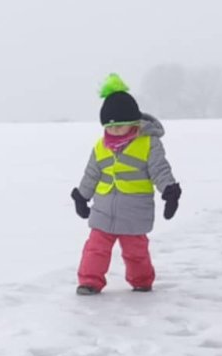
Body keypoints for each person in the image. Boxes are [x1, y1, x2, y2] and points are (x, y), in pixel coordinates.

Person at [70, 74, 182, 294]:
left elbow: (160, 170)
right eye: (110, 127)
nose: (114, 131)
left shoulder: (148, 144)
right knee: (95, 248)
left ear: (134, 123)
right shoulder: (101, 146)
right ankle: (89, 282)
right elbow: (91, 174)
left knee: (135, 251)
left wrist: (169, 191)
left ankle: (142, 281)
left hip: (134, 211)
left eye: (120, 126)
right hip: (103, 210)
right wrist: (82, 197)